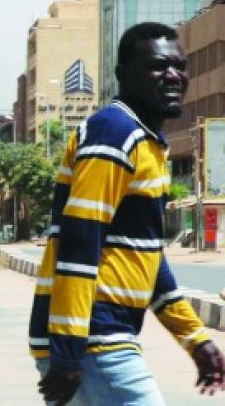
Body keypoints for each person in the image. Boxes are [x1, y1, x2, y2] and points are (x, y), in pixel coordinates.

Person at [30, 22, 225, 405]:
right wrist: (70, 349)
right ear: (123, 75)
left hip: (99, 336)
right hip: (94, 337)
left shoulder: (148, 144)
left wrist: (195, 339)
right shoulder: (115, 132)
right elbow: (80, 241)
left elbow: (148, 260)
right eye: (157, 66)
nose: (173, 76)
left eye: (179, 66)